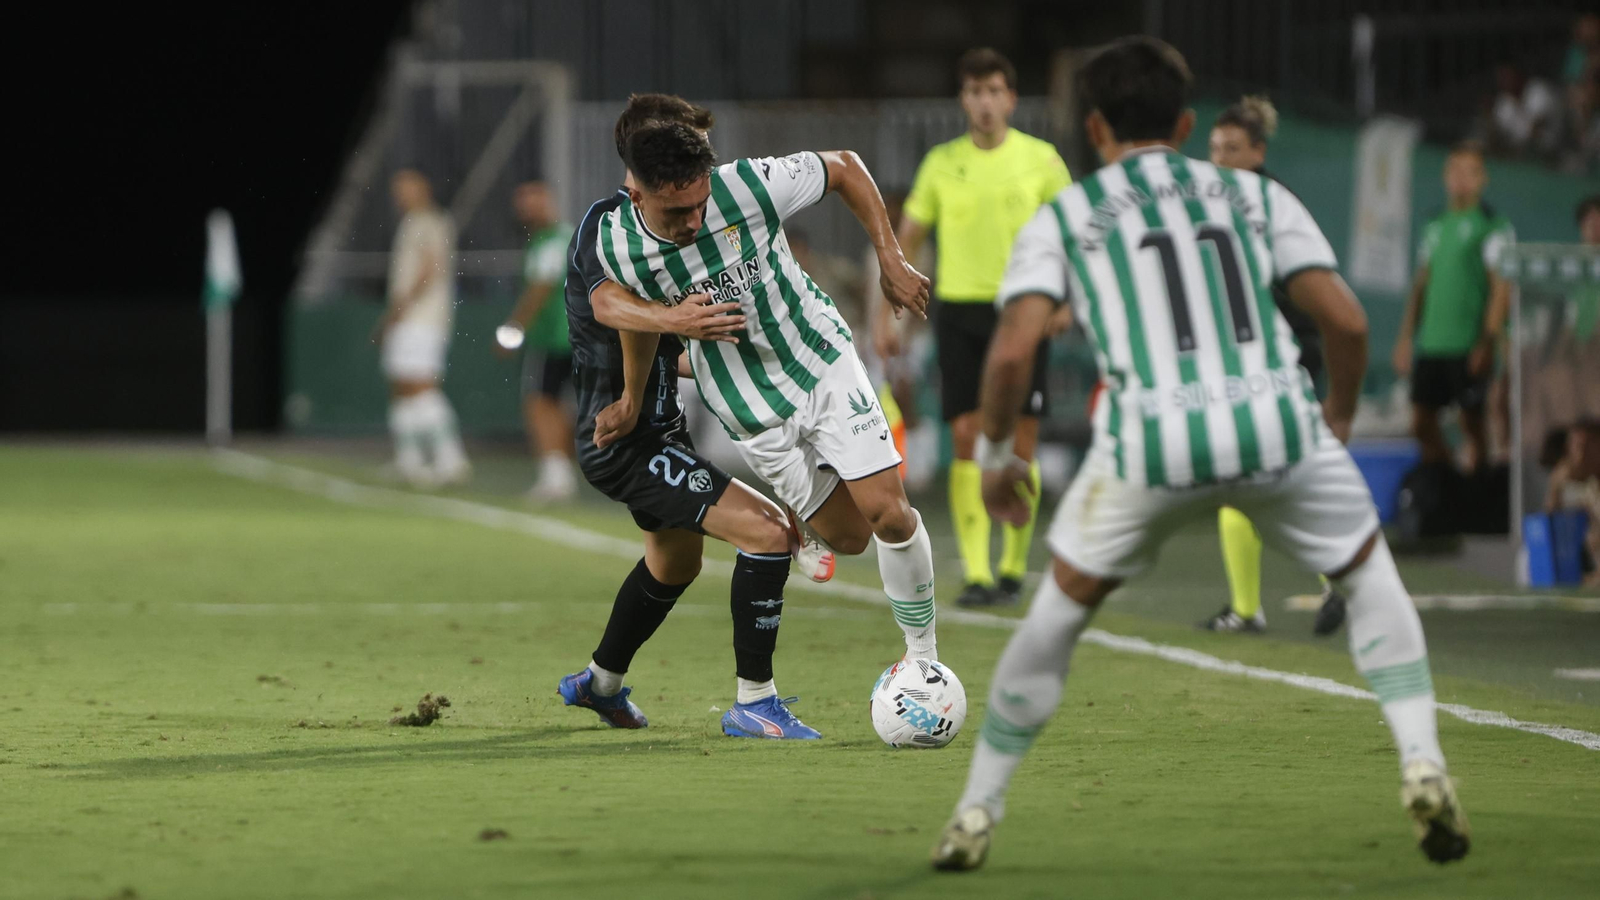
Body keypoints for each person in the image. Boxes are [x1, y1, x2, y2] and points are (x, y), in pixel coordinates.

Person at [932, 36, 1467, 871]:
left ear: (1095, 128)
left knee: (1055, 621)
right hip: (1277, 423)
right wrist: (1337, 418)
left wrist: (999, 457)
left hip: (1148, 444)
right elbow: (1349, 322)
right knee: (1367, 578)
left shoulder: (1067, 214)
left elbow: (1009, 355)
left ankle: (976, 809)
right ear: (1186, 123)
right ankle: (1421, 758)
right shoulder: (1251, 193)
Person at [592, 120, 944, 682]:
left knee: (888, 515)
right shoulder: (617, 243)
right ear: (637, 194)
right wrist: (635, 395)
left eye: (699, 204)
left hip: (820, 362)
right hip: (750, 410)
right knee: (851, 538)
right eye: (675, 213)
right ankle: (791, 521)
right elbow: (623, 312)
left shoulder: (747, 186)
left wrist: (891, 259)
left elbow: (845, 166)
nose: (693, 222)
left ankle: (924, 660)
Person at [553, 94, 836, 740]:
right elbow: (614, 310)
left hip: (658, 431)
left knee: (674, 564)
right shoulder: (609, 231)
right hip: (624, 440)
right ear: (635, 178)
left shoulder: (674, 230)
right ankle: (755, 703)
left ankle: (599, 685)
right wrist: (654, 358)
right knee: (767, 533)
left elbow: (668, 348)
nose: (692, 213)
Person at [892, 48, 1073, 608]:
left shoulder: (1042, 160)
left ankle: (1015, 566)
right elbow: (907, 239)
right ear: (963, 99)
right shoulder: (942, 163)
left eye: (995, 91)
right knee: (967, 438)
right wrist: (886, 309)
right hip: (962, 312)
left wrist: (1066, 298)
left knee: (1020, 440)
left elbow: (1073, 233)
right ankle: (976, 571)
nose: (985, 103)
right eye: (975, 92)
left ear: (1011, 98)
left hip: (1024, 310)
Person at [1201, 96, 1348, 637]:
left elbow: (1307, 291)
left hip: (1281, 357)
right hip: (1239, 359)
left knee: (1274, 477)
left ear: (1259, 151)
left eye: (1233, 149)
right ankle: (1250, 606)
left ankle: (1331, 579)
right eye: (1215, 148)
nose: (1221, 159)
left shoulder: (1272, 205)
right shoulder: (1208, 208)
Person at [1392, 142, 1515, 476]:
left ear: (1482, 179)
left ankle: (1480, 490)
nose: (1461, 179)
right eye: (1455, 171)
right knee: (1420, 421)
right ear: (1446, 177)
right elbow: (1420, 285)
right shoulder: (1434, 226)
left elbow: (1501, 287)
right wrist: (1405, 338)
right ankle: (1448, 483)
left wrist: (1487, 341)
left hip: (1469, 343)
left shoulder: (1492, 226)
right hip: (1433, 343)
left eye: (1469, 172)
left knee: (1472, 423)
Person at [375, 169, 471, 487]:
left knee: (422, 385)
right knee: (401, 384)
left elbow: (430, 269)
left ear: (424, 186)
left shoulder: (431, 221)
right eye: (397, 188)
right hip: (409, 318)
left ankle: (450, 458)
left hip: (422, 317)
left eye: (407, 186)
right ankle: (410, 459)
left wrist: (397, 311)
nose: (401, 193)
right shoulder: (411, 222)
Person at [496, 181, 578, 501]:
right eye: (522, 201)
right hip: (580, 336)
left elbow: (540, 289)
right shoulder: (565, 235)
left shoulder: (551, 241)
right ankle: (561, 474)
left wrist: (513, 329)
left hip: (553, 338)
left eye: (534, 199)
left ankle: (556, 476)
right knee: (559, 405)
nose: (527, 207)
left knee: (539, 402)